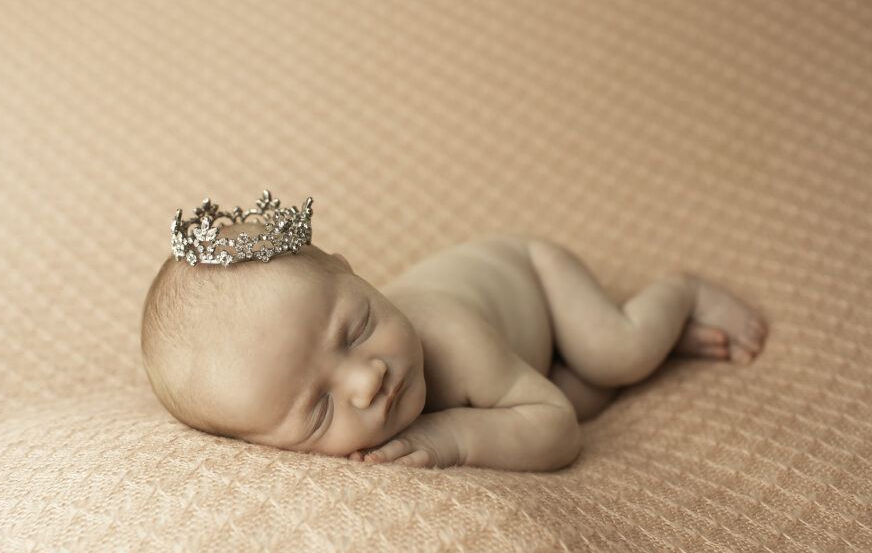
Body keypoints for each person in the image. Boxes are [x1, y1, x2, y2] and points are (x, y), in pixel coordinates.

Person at [141, 192, 767, 472]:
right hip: (525, 357)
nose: (367, 379)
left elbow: (558, 432)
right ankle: (651, 346)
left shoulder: (449, 339)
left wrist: (454, 438)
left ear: (351, 272)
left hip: (534, 277)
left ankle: (676, 298)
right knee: (582, 389)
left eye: (357, 327)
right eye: (319, 409)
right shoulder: (345, 366)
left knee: (611, 359)